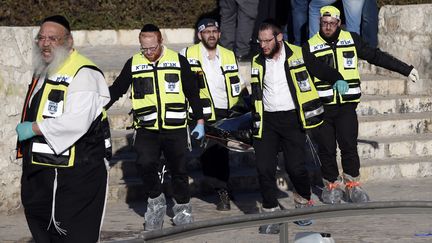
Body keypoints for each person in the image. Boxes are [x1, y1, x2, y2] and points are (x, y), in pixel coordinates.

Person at [304, 6, 419, 204]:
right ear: (319, 23)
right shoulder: (309, 46)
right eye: (324, 23)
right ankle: (331, 184)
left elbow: (376, 56)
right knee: (326, 148)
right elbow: (316, 69)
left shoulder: (352, 40)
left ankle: (352, 184)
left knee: (349, 145)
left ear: (339, 23)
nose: (328, 27)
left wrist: (405, 69)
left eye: (332, 23)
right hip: (323, 106)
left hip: (347, 106)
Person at [15, 15, 111, 242]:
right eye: (41, 38)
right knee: (42, 231)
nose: (45, 43)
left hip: (76, 176)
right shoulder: (45, 69)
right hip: (43, 172)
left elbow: (76, 121)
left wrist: (34, 129)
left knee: (74, 234)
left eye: (53, 38)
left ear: (69, 41)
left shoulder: (84, 73)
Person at [105, 24, 205, 231]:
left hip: (175, 127)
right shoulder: (134, 63)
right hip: (146, 128)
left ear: (160, 42)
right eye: (144, 49)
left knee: (179, 169)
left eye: (152, 48)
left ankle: (183, 209)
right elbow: (117, 90)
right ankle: (156, 203)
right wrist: (98, 107)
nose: (148, 53)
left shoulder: (178, 61)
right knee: (144, 164)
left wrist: (201, 121)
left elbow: (193, 92)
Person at [250, 19, 344, 234]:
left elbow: (320, 69)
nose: (263, 45)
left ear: (279, 37)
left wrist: (336, 78)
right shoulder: (257, 61)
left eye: (267, 41)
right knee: (264, 168)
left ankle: (303, 202)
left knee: (296, 168)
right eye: (260, 41)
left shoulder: (299, 54)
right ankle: (271, 212)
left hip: (293, 120)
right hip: (267, 121)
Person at [180, 18, 245, 211]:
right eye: (206, 31)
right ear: (200, 35)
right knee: (211, 152)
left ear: (219, 34)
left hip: (226, 111)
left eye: (214, 31)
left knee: (220, 152)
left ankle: (222, 187)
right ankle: (222, 190)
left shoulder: (227, 54)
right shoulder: (187, 54)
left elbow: (237, 83)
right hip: (202, 113)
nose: (211, 35)